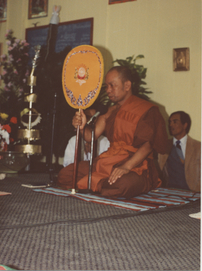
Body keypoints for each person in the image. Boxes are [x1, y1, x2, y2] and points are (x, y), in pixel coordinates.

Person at [57, 66, 169, 199]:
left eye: (112, 85)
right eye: (106, 86)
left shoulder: (146, 109)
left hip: (136, 165)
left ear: (127, 85)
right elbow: (89, 137)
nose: (108, 90)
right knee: (66, 174)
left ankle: (95, 183)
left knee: (122, 185)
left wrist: (126, 167)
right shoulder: (110, 111)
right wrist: (81, 127)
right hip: (109, 160)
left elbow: (148, 145)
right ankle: (101, 184)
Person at [158, 111, 201, 192]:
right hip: (168, 192)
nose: (170, 125)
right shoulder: (163, 146)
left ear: (185, 125)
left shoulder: (198, 147)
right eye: (170, 122)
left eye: (175, 122)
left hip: (193, 193)